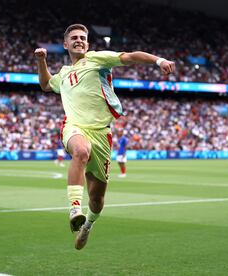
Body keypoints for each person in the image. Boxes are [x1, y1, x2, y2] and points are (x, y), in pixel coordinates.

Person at [34, 23, 175, 250]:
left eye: (83, 37)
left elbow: (130, 57)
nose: (79, 40)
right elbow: (45, 84)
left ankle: (87, 225)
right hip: (74, 126)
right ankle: (74, 210)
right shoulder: (64, 73)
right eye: (74, 38)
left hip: (102, 134)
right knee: (80, 151)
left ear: (87, 43)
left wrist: (159, 61)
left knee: (97, 200)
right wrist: (41, 61)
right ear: (66, 44)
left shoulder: (98, 59)